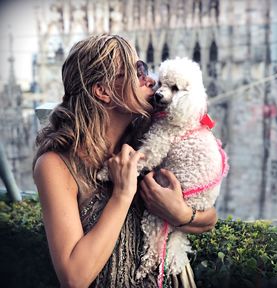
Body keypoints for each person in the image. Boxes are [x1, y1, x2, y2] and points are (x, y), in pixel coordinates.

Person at [33, 34, 217, 288]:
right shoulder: (56, 164)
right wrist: (122, 193)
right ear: (103, 91)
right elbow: (74, 277)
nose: (151, 80)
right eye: (138, 71)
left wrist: (181, 213)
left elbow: (210, 219)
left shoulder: (152, 138)